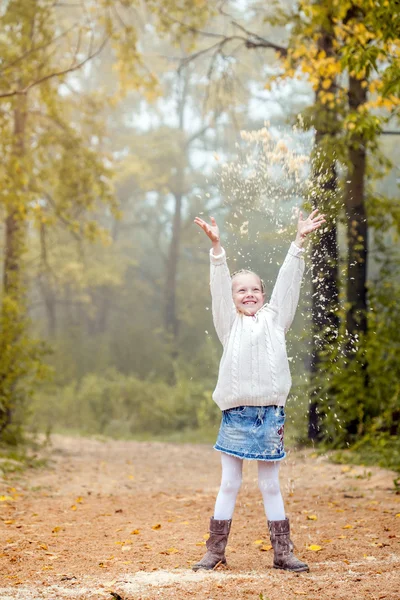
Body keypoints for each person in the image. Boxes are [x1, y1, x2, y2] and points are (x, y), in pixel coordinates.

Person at [192, 209, 326, 573]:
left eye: (254, 289)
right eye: (241, 290)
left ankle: (283, 552)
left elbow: (288, 282)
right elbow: (218, 287)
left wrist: (299, 243)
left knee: (269, 484)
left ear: (264, 295)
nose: (247, 294)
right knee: (230, 483)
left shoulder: (275, 319)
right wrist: (217, 249)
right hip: (235, 415)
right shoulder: (228, 323)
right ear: (233, 298)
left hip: (270, 414)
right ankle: (215, 551)